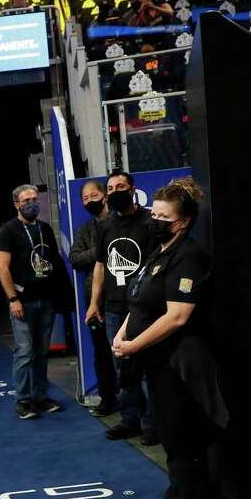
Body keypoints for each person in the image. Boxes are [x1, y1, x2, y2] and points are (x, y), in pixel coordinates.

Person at [113, 178, 228, 499]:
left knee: (184, 443)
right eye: (154, 213)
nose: (154, 219)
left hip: (180, 365)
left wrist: (133, 346)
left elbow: (177, 316)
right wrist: (124, 335)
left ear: (181, 222)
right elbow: (142, 302)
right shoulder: (158, 251)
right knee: (170, 440)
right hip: (156, 363)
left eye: (163, 216)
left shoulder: (189, 256)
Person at [87, 171, 158, 444]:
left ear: (132, 189)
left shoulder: (150, 221)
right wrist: (94, 302)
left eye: (120, 187)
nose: (115, 191)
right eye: (110, 187)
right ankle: (130, 420)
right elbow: (101, 265)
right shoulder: (105, 225)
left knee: (147, 368)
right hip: (114, 307)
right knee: (122, 368)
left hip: (144, 308)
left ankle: (152, 424)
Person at [0, 184, 72, 419]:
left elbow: (55, 264)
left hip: (46, 300)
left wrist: (62, 296)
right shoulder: (7, 230)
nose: (32, 203)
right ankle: (23, 400)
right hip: (22, 302)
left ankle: (40, 395)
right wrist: (12, 299)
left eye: (35, 199)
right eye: (26, 200)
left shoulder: (45, 229)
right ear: (17, 204)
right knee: (25, 351)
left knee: (41, 351)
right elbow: (2, 268)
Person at [67, 180, 118, 416]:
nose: (90, 201)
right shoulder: (85, 230)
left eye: (94, 195)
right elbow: (75, 259)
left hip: (122, 298)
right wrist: (101, 249)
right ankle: (108, 399)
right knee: (101, 352)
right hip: (95, 302)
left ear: (105, 196)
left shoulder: (121, 222)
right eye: (85, 198)